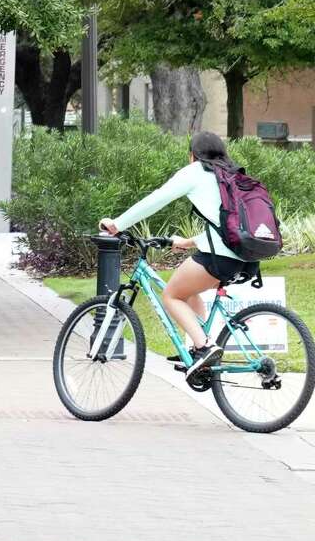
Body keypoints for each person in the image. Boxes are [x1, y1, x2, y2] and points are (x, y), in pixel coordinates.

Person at [99, 131, 262, 381]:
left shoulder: (196, 171)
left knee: (172, 295)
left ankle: (204, 346)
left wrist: (117, 224)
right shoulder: (231, 175)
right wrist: (189, 241)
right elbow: (227, 225)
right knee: (190, 290)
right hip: (248, 257)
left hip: (219, 258)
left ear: (192, 155)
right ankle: (198, 350)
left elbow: (155, 200)